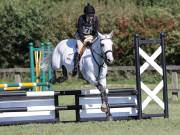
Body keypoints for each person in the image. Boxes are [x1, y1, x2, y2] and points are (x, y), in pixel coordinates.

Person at [72, 3, 99, 76]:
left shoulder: (95, 19)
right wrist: (84, 40)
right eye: (89, 16)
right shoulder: (81, 18)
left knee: (98, 48)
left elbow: (96, 32)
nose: (91, 17)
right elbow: (80, 31)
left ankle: (100, 66)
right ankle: (76, 67)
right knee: (79, 49)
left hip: (90, 36)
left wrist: (92, 40)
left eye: (92, 16)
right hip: (80, 36)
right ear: (86, 15)